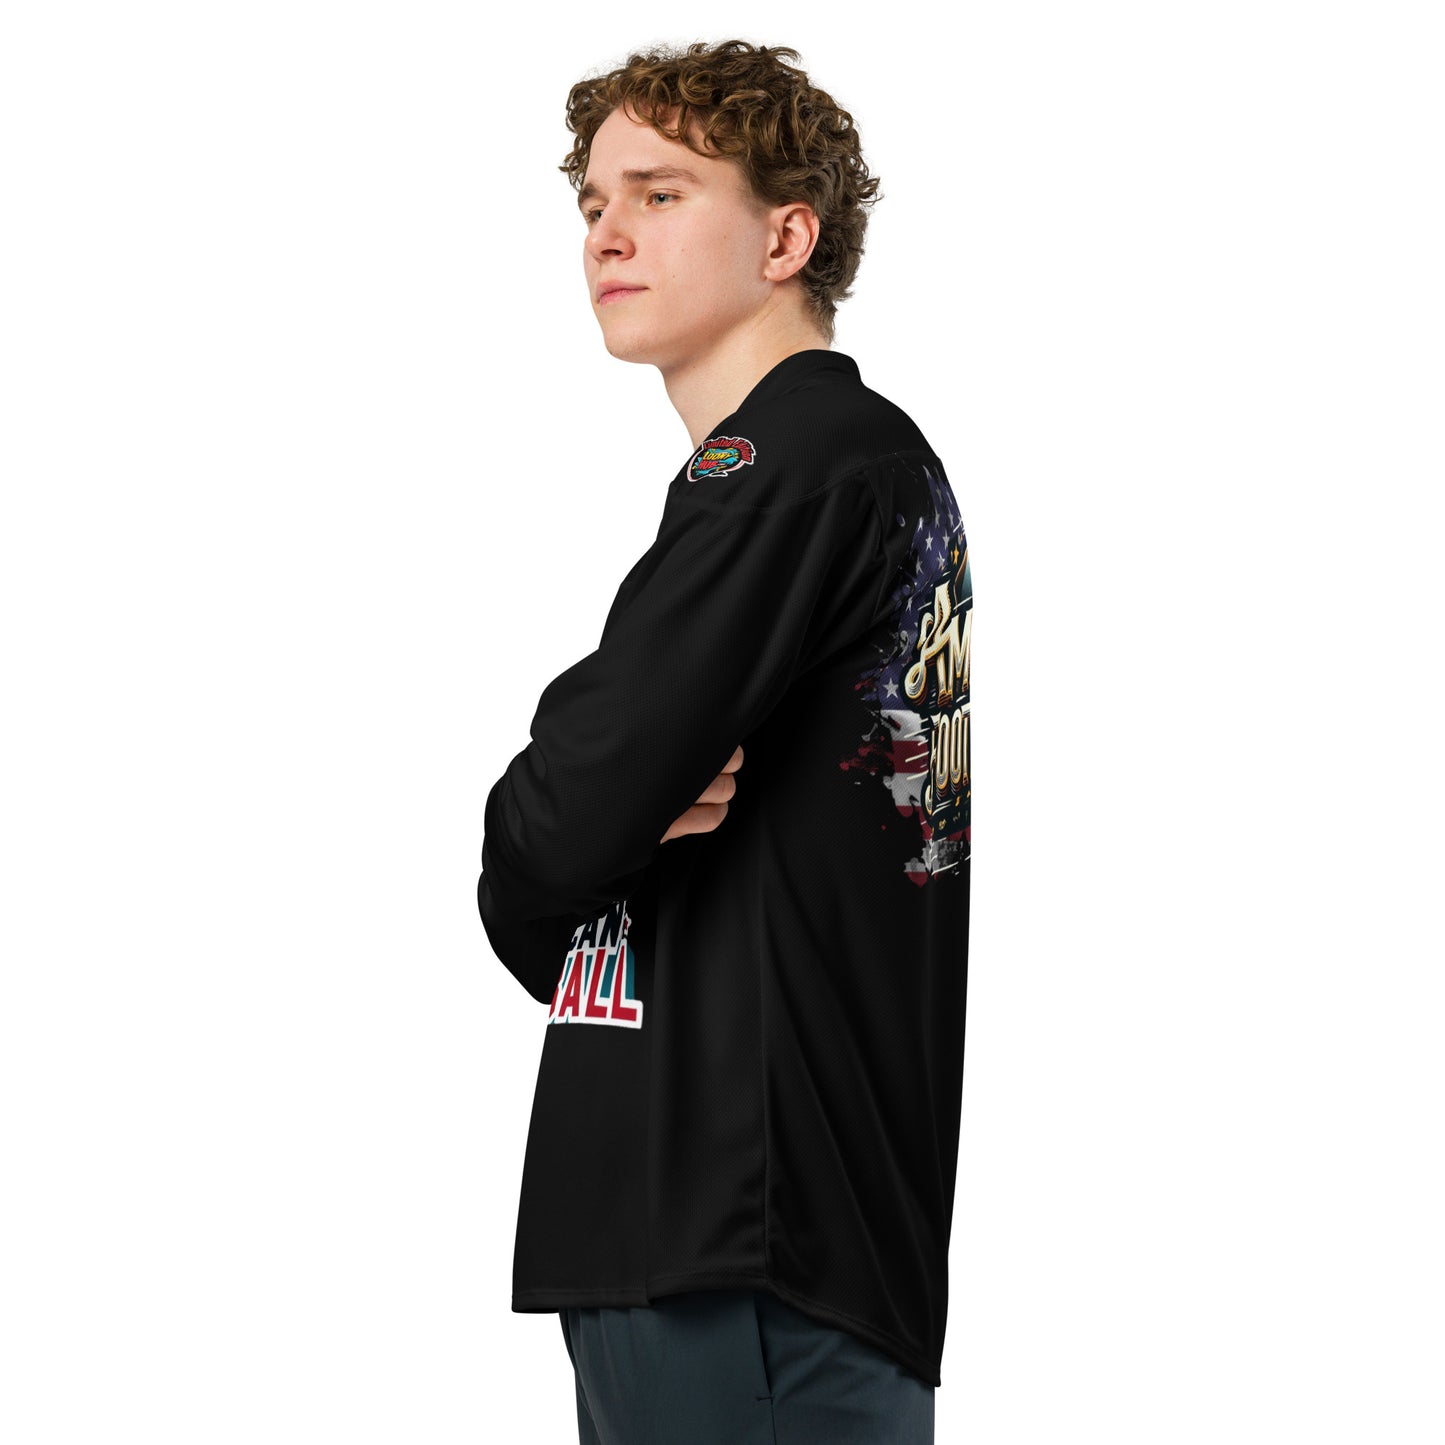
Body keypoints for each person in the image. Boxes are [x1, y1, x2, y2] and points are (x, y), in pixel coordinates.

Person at [477, 37, 971, 1445]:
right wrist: (595, 809)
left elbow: (557, 822)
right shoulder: (839, 470)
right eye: (592, 201)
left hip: (735, 1237)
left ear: (785, 239)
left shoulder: (792, 466)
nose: (606, 232)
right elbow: (600, 802)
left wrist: (556, 821)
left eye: (661, 192)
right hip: (769, 1238)